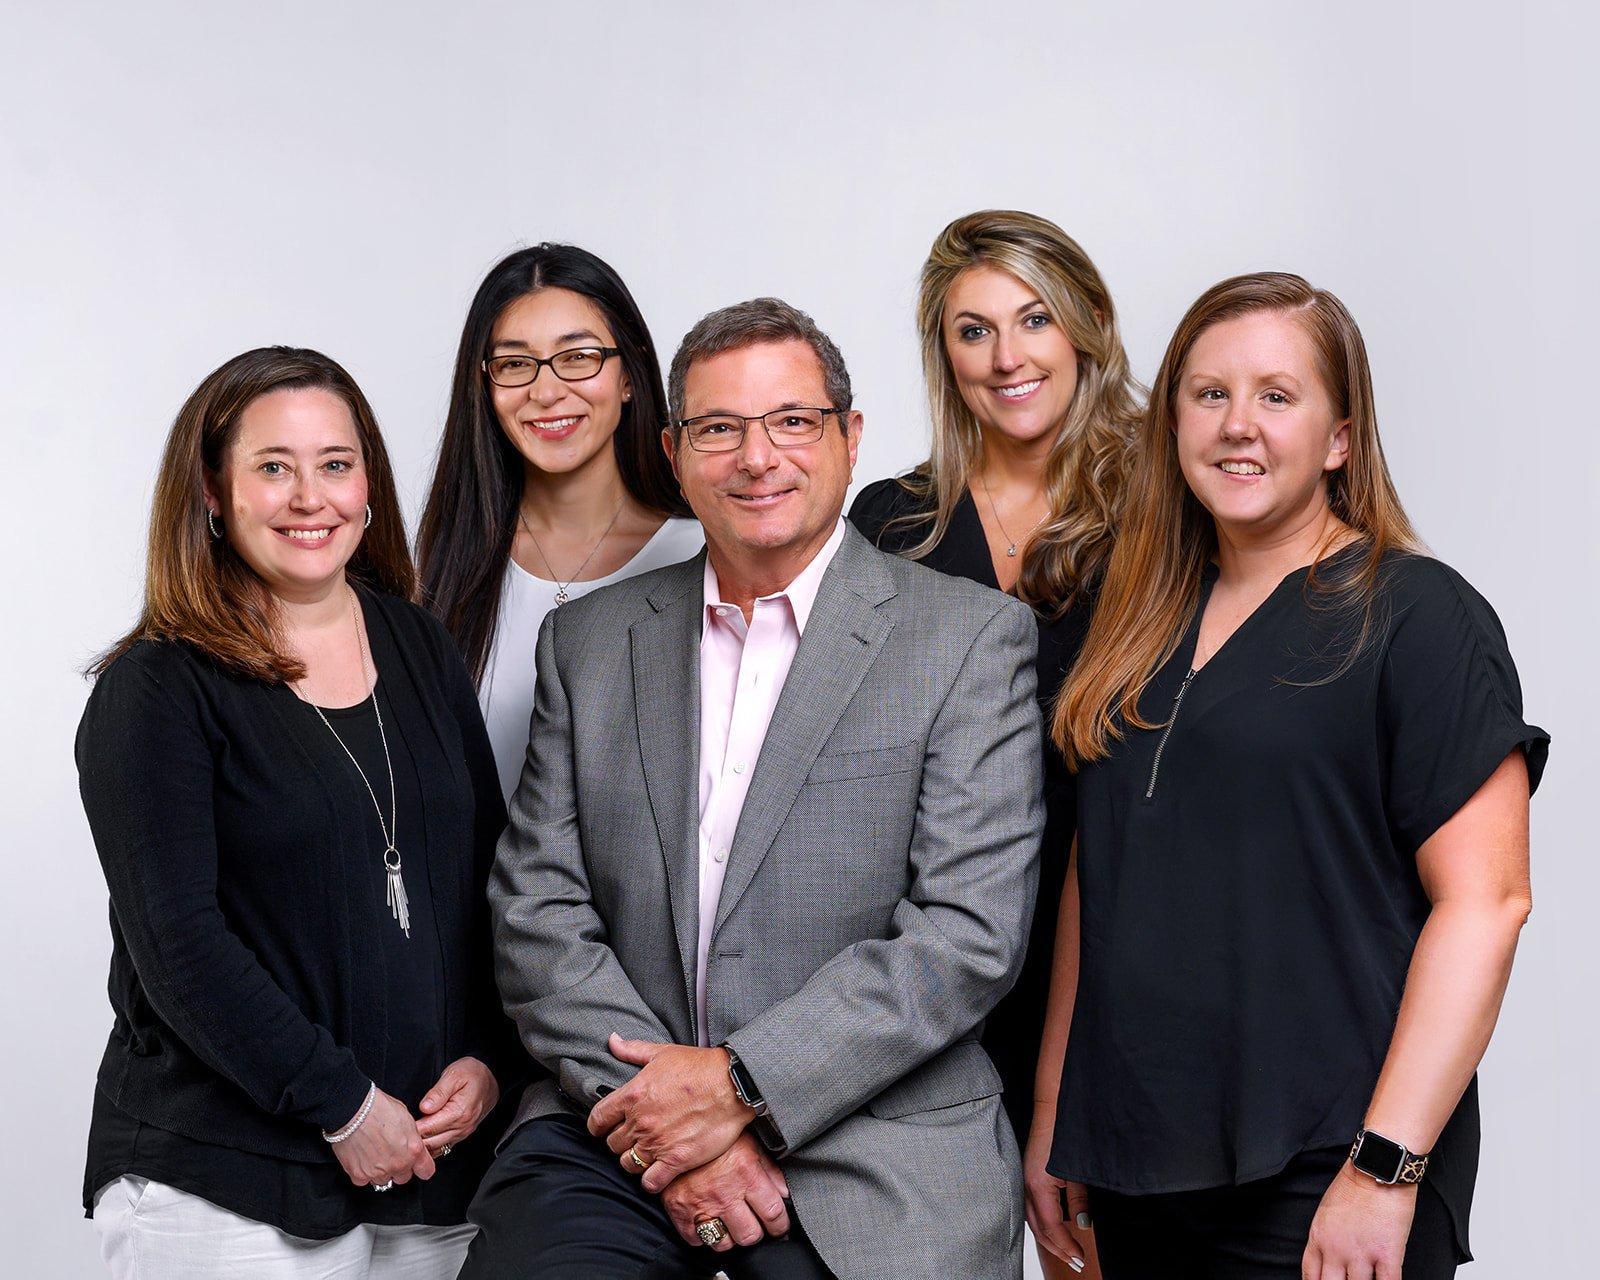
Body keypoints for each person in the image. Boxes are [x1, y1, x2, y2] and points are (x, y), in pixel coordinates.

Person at [459, 298, 1044, 1279]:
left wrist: (740, 1083)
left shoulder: (967, 640)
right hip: (612, 1128)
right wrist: (667, 1116)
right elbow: (536, 910)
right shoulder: (590, 642)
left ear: (849, 438)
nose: (756, 456)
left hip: (873, 1142)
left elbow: (965, 933)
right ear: (675, 452)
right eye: (719, 428)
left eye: (791, 421)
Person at [1028, 274, 1548, 1279]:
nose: (1236, 426)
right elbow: (1098, 877)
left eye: (1275, 395)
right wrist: (1056, 1111)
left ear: (1339, 437)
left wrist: (1384, 1167)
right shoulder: (1129, 622)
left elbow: (1485, 905)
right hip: (1135, 1167)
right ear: (1171, 418)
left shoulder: (1418, 617)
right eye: (1207, 392)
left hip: (1328, 1166)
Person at [78, 347, 519, 1278]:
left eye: (335, 464)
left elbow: (489, 879)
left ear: (369, 485)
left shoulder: (417, 643)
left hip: (428, 1174)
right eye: (272, 467)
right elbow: (179, 948)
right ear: (212, 490)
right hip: (226, 1184)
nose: (309, 496)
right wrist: (344, 1105)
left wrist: (486, 1061)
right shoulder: (156, 690)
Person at [850, 209, 1139, 1278]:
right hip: (936, 963)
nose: (1006, 356)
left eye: (1032, 319)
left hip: (1119, 950)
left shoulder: (1168, 503)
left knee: (1090, 1252)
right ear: (942, 354)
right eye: (972, 331)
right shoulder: (891, 523)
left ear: (1085, 328)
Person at [416, 242, 702, 800]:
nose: (546, 392)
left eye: (578, 357)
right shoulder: (445, 570)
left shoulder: (702, 555)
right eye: (515, 364)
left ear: (629, 375)